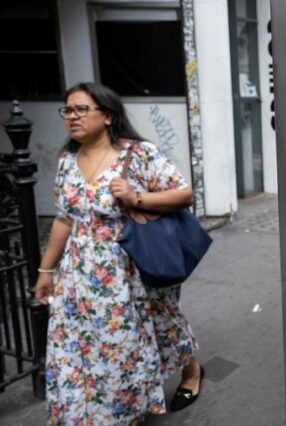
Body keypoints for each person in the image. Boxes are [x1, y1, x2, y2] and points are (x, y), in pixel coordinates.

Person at [34, 82, 204, 424]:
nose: (72, 116)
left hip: (132, 263)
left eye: (81, 109)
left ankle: (190, 373)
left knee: (157, 328)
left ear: (108, 116)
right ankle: (96, 411)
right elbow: (64, 219)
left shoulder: (138, 154)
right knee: (81, 341)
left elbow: (184, 194)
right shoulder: (67, 160)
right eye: (67, 110)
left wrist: (136, 197)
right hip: (78, 270)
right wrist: (45, 271)